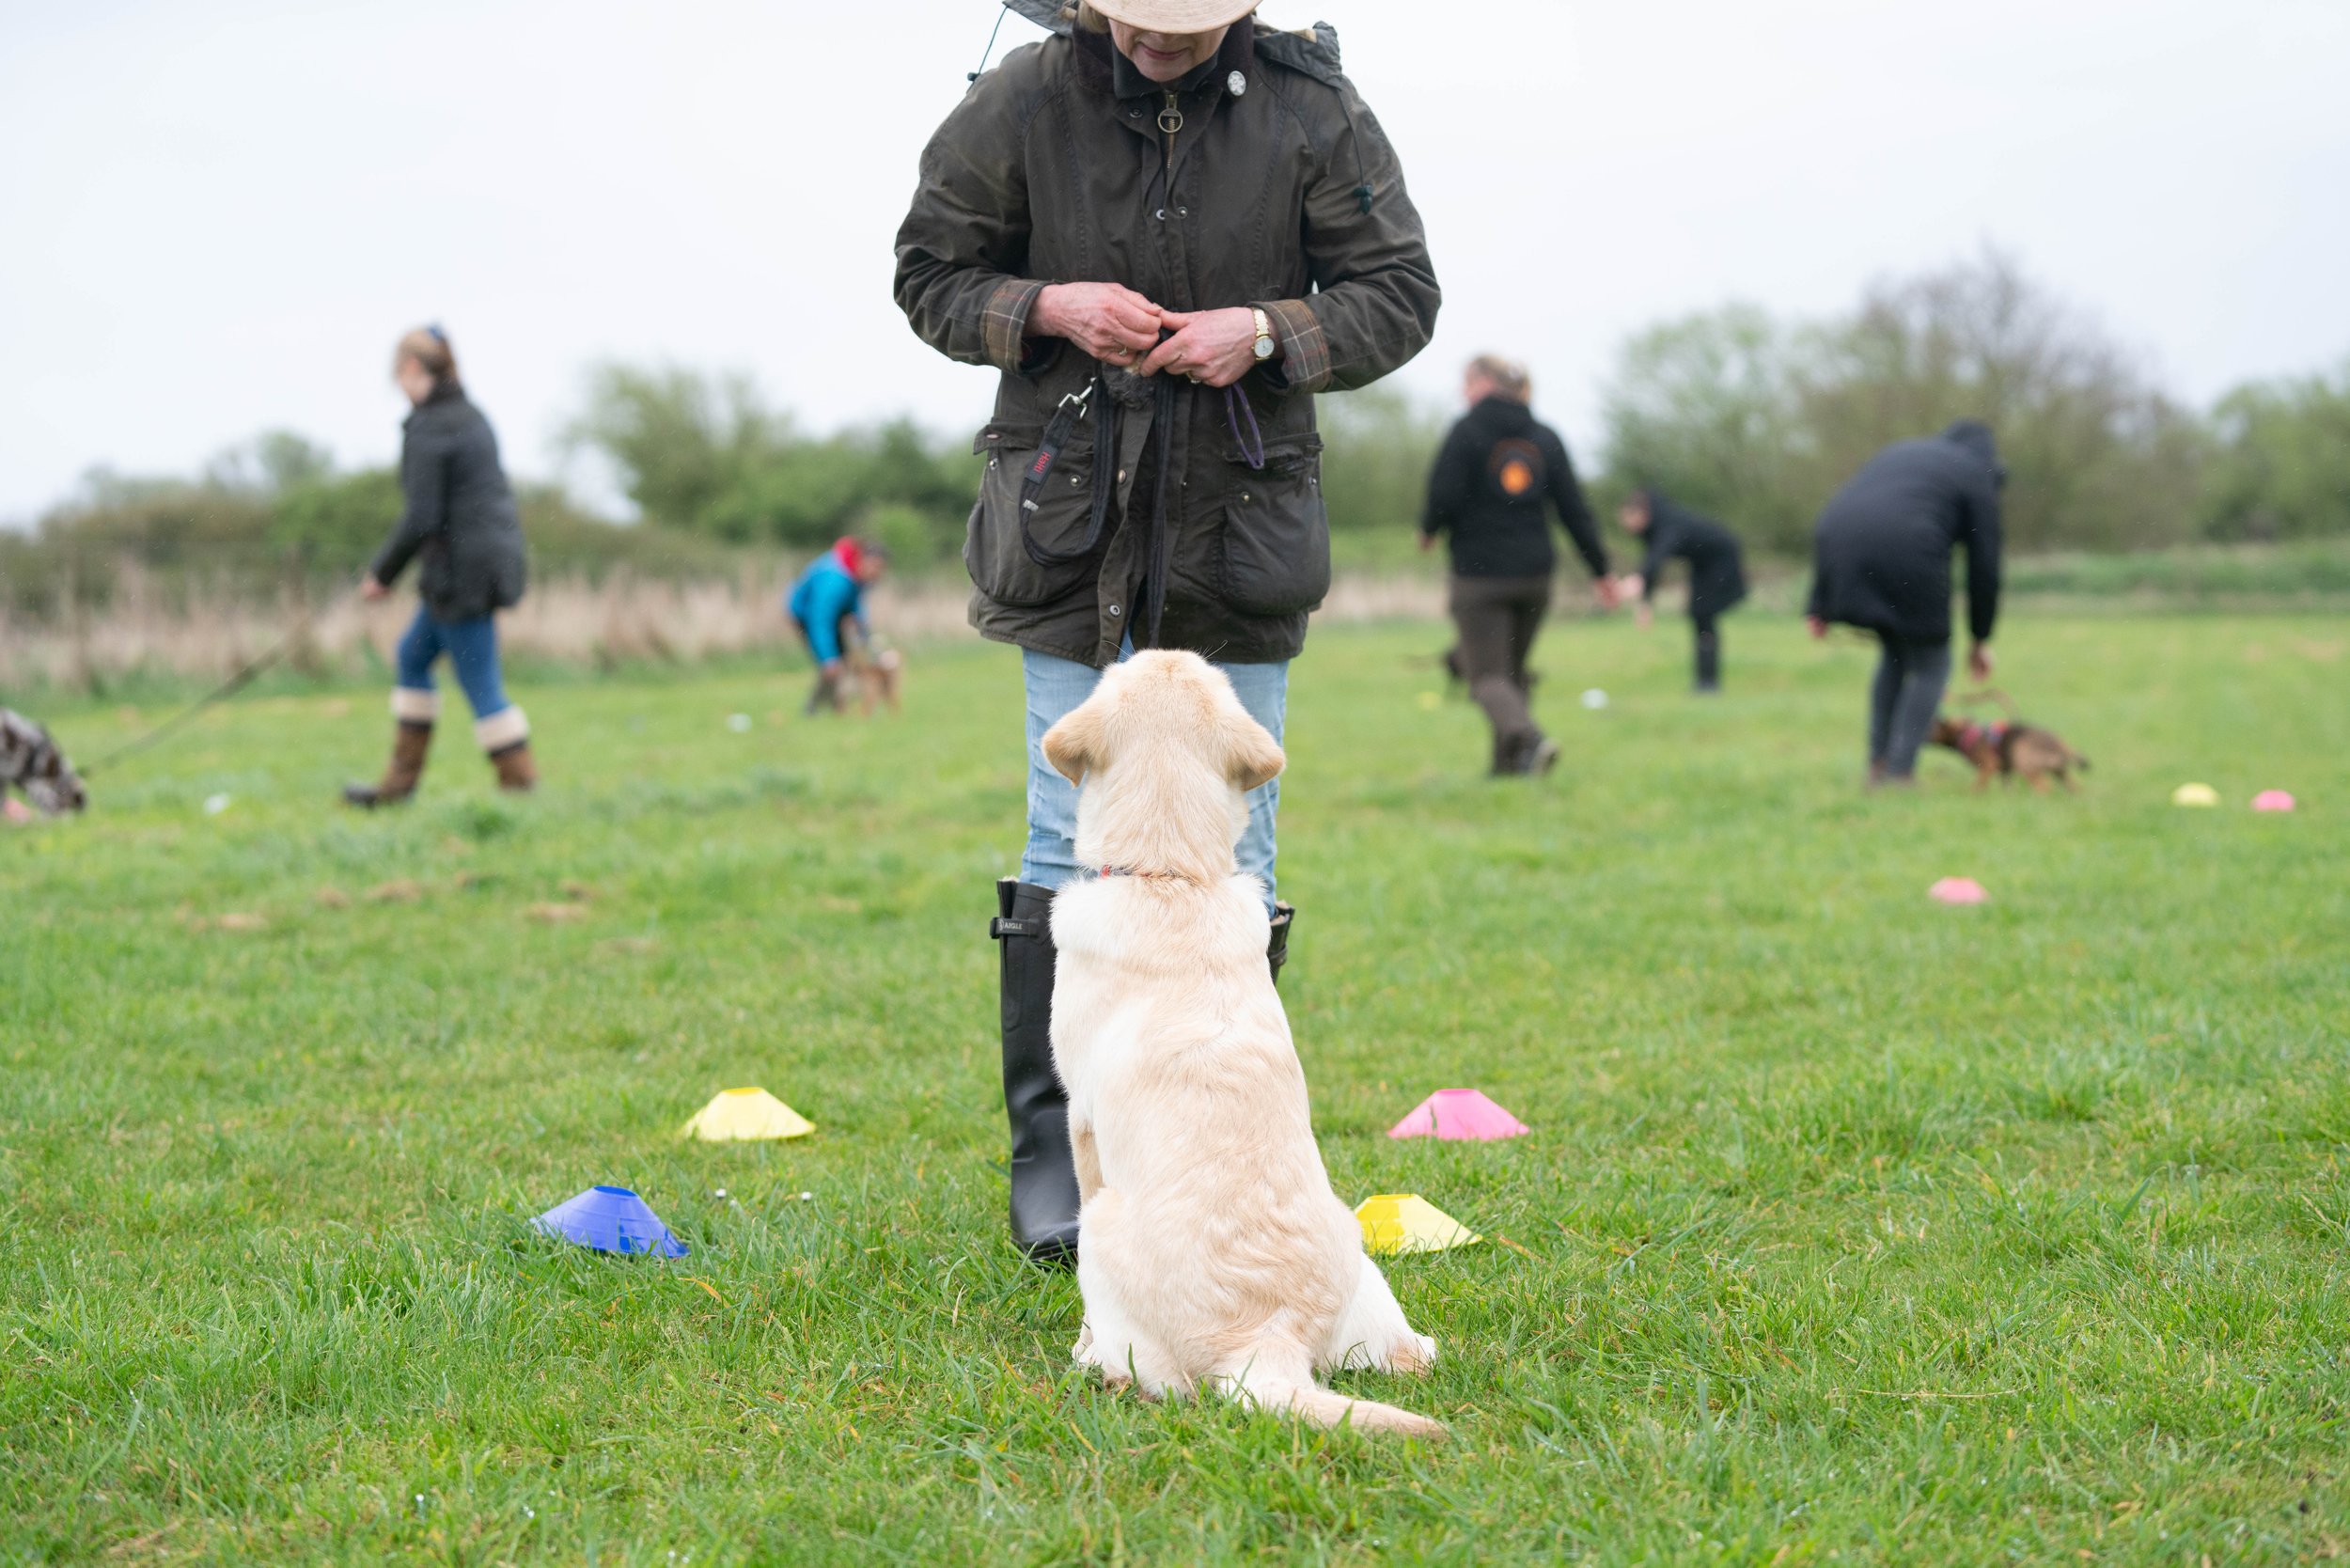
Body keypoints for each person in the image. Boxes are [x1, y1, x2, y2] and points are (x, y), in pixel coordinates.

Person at [894, 0, 1438, 1260]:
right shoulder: (1019, 99)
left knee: (1235, 845)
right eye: (1138, 26)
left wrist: (1263, 332)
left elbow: (1399, 295)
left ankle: (1211, 1152)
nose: (1156, 46)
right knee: (1058, 831)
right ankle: (1061, 1161)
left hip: (1236, 532)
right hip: (1065, 524)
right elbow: (928, 275)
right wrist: (1045, 309)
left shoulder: (1316, 108)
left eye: (1185, 33)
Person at [345, 326, 533, 807]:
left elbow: (422, 516)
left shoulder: (431, 427)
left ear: (411, 369)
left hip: (460, 579)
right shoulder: (471, 417)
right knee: (412, 656)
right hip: (477, 569)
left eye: (397, 377)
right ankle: (397, 788)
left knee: (481, 683)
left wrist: (381, 575)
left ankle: (521, 791)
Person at [1418, 355, 1614, 776]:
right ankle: (1508, 769)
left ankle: (1531, 738)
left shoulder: (1466, 431)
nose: (1462, 392)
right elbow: (1574, 511)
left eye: (1466, 382)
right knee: (1511, 676)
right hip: (1536, 576)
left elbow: (1444, 493)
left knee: (1486, 678)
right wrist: (1602, 571)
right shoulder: (1546, 437)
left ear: (1484, 383)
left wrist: (1429, 529)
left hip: (1479, 575)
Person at [1806, 419, 2005, 785]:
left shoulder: (1903, 452)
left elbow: (1844, 513)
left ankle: (1878, 766)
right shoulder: (1977, 473)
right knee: (1932, 662)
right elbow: (1984, 565)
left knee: (1895, 654)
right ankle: (1899, 773)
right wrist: (1980, 636)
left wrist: (1818, 601)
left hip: (1838, 539)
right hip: (1909, 545)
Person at [1616, 488, 1747, 693]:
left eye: (1630, 520)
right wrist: (1645, 604)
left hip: (1721, 560)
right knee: (1699, 616)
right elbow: (1652, 562)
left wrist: (1638, 579)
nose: (1629, 527)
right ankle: (1705, 682)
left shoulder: (1668, 523)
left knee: (1703, 615)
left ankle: (1708, 683)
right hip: (1702, 564)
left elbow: (1658, 556)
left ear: (1642, 513)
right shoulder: (1653, 528)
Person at [787, 536, 889, 713]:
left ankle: (835, 707)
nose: (876, 573)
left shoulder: (856, 576)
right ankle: (813, 710)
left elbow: (855, 606)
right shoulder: (835, 580)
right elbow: (820, 619)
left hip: (830, 616)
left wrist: (865, 635)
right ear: (861, 560)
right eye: (874, 566)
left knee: (843, 662)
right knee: (832, 666)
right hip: (805, 616)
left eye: (880, 568)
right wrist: (827, 657)